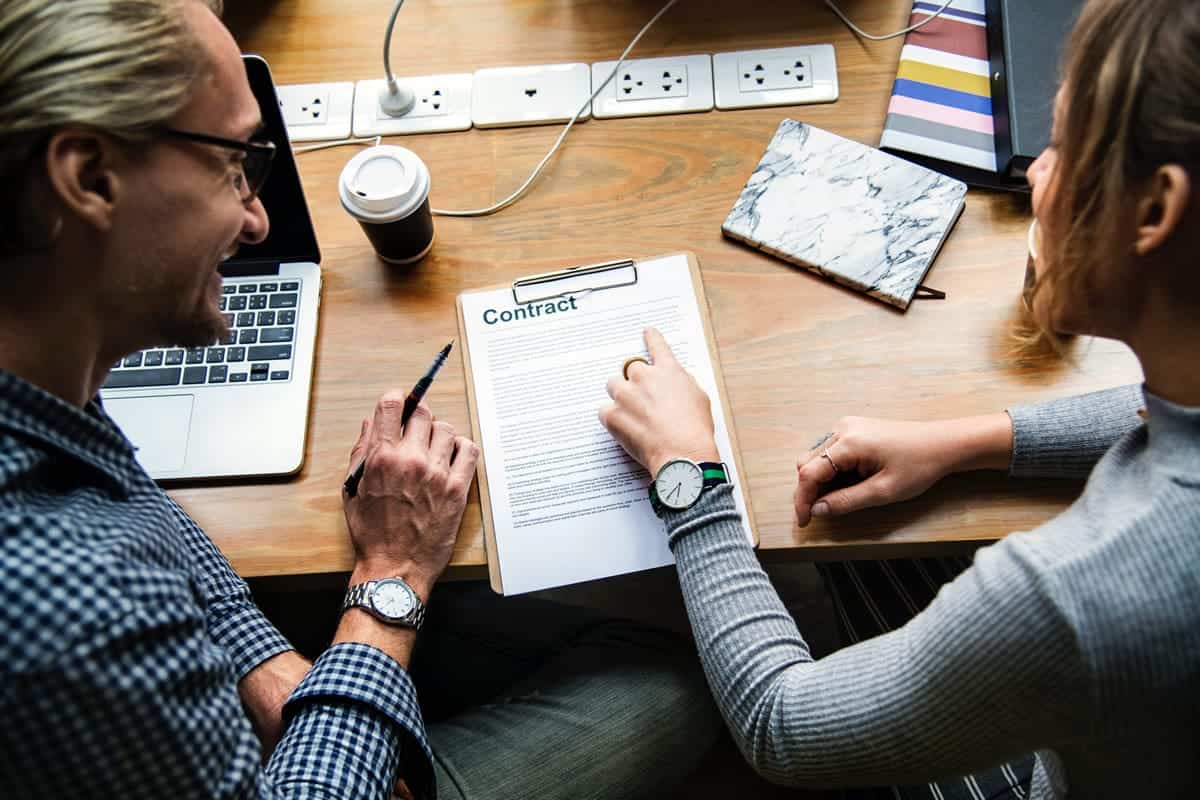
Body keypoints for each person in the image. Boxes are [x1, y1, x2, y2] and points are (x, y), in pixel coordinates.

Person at [0, 1, 717, 798]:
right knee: (682, 674)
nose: (255, 217)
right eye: (232, 166)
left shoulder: (36, 367)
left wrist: (261, 659)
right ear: (89, 178)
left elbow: (121, 494)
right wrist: (390, 579)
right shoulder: (69, 612)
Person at [599, 0, 1200, 797]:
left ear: (1156, 210)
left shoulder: (1072, 595)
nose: (1034, 173)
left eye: (1063, 144)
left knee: (804, 587)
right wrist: (966, 443)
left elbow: (784, 727)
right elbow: (1166, 417)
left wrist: (691, 478)